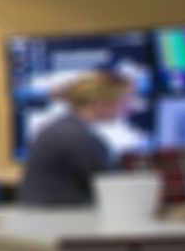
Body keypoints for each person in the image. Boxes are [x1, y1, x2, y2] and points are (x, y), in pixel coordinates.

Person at [19, 70, 136, 207]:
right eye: (126, 101)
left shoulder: (62, 128)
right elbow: (112, 189)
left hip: (47, 216)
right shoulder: (78, 138)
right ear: (101, 102)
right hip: (63, 220)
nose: (131, 108)